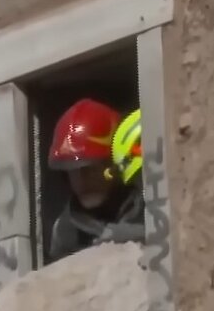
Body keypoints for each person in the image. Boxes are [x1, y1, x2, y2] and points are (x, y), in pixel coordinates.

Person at [45, 99, 146, 263]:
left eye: (89, 168)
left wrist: (138, 234)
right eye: (72, 172)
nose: (81, 180)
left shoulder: (149, 204)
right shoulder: (65, 231)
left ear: (113, 163)